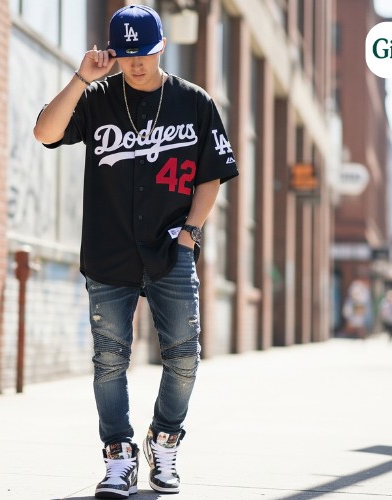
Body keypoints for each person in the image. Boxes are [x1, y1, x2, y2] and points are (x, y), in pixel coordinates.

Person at [32, 5, 238, 498]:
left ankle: (164, 439)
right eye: (126, 56)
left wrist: (190, 233)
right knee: (110, 361)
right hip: (108, 251)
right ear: (113, 54)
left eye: (143, 54)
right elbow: (45, 132)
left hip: (171, 249)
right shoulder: (98, 98)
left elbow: (212, 175)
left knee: (184, 357)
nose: (135, 64)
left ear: (160, 46)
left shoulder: (194, 102)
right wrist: (81, 79)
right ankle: (118, 455)